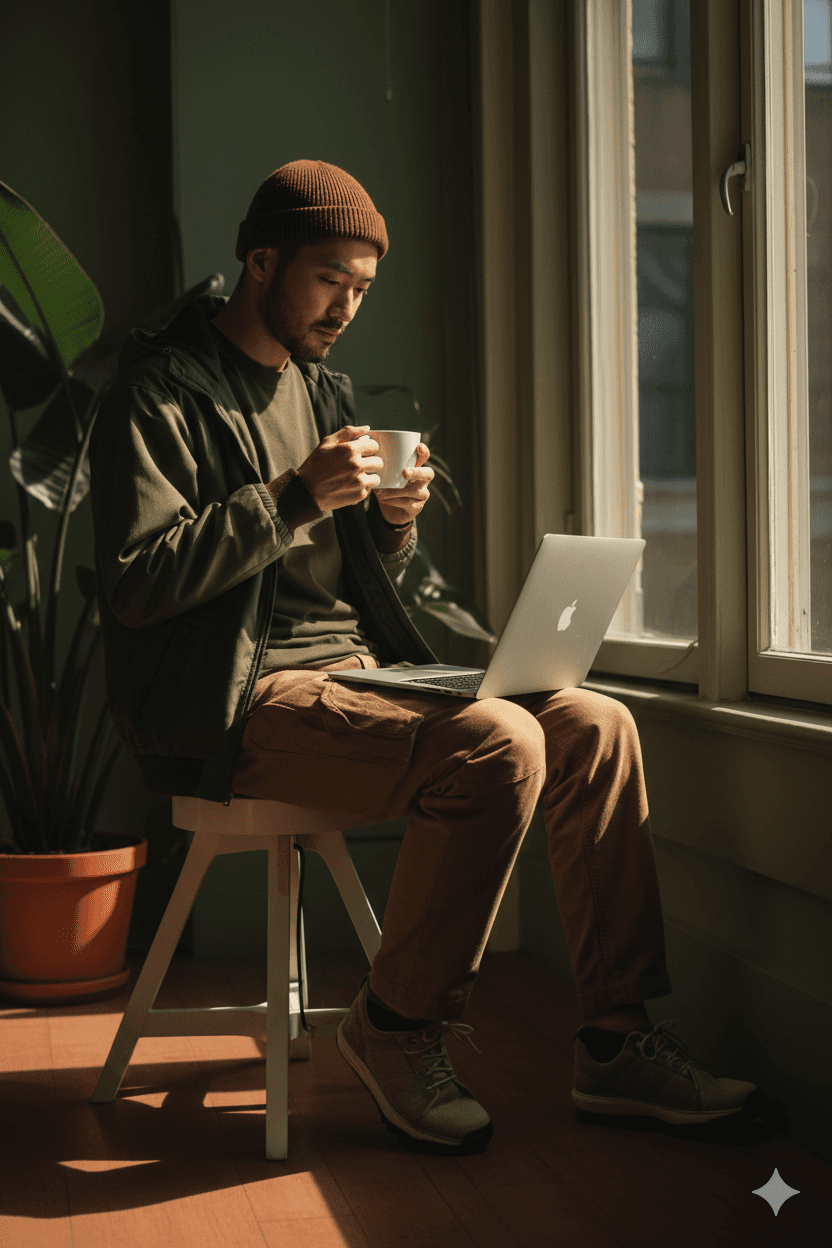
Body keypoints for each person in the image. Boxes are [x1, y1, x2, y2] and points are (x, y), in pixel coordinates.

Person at [89, 159, 761, 1155]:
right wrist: (293, 498)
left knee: (596, 723)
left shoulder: (323, 392)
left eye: (362, 288)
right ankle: (395, 1030)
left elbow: (347, 578)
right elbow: (137, 582)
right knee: (498, 745)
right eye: (329, 279)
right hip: (232, 701)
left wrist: (392, 526)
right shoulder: (160, 391)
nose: (346, 308)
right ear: (261, 262)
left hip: (351, 676)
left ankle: (616, 1042)